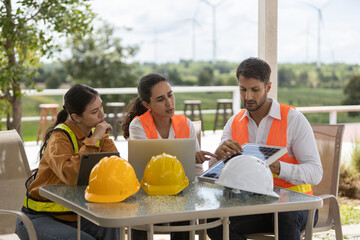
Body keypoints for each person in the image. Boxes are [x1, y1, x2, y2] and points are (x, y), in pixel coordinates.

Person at [206, 57, 323, 240]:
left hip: (295, 204)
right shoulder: (234, 123)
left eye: (255, 90)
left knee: (284, 216)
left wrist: (279, 168)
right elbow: (215, 172)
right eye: (243, 89)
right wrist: (218, 156)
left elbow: (316, 173)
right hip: (254, 206)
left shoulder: (293, 119)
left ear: (268, 88)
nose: (248, 97)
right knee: (213, 222)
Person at [16, 84, 119, 240]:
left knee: (112, 226)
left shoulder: (96, 133)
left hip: (75, 217)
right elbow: (72, 176)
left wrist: (100, 137)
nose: (102, 115)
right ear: (76, 117)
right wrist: (94, 139)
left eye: (101, 107)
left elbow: (116, 165)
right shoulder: (59, 137)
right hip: (38, 219)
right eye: (94, 111)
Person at [122, 73, 216, 240]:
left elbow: (195, 171)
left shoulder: (186, 124)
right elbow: (142, 166)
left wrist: (196, 159)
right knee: (140, 211)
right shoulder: (138, 125)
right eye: (160, 99)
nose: (169, 103)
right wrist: (188, 157)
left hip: (180, 191)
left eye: (170, 95)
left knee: (184, 211)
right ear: (146, 104)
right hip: (148, 193)